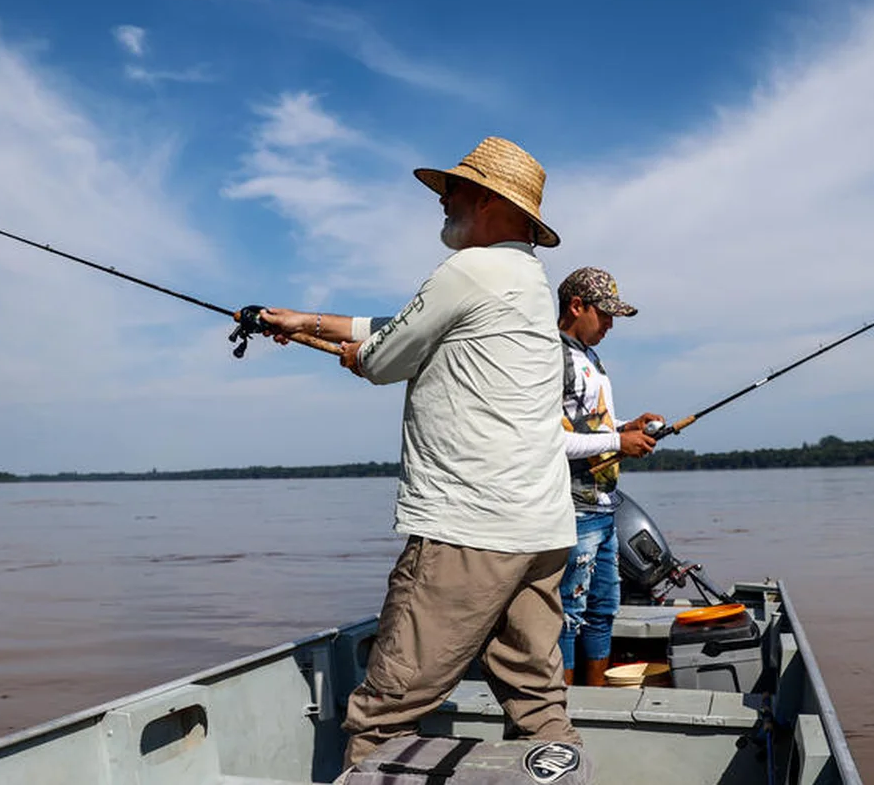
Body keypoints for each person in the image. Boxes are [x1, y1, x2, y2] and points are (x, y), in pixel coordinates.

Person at [256, 136, 581, 769]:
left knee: (386, 710)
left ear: (487, 199)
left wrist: (357, 356)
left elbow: (384, 356)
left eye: (451, 190)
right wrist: (306, 322)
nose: (442, 201)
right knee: (538, 700)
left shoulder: (468, 270)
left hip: (469, 531)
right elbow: (411, 326)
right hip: (541, 529)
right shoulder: (525, 281)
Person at [555, 267, 663, 687]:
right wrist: (619, 441)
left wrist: (627, 424)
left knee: (603, 610)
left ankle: (598, 699)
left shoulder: (591, 357)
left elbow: (588, 425)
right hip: (572, 509)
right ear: (576, 306)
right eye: (605, 314)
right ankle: (559, 709)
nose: (611, 325)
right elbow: (549, 440)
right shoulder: (552, 356)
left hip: (605, 507)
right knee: (568, 614)